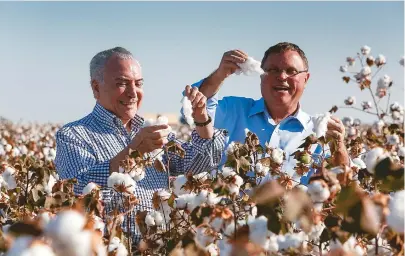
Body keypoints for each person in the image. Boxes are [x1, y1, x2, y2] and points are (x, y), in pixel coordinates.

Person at [54, 47, 227, 247]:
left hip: (162, 246)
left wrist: (202, 120)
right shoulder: (73, 135)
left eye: (138, 84)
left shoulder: (151, 129)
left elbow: (199, 164)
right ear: (96, 87)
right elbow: (78, 192)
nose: (132, 93)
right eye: (121, 83)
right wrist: (133, 152)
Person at [183, 42, 350, 183]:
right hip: (233, 218)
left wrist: (340, 148)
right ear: (261, 76)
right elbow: (194, 108)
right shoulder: (234, 111)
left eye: (291, 71)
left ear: (305, 79)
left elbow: (341, 185)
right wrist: (219, 75)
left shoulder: (319, 132)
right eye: (273, 70)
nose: (282, 77)